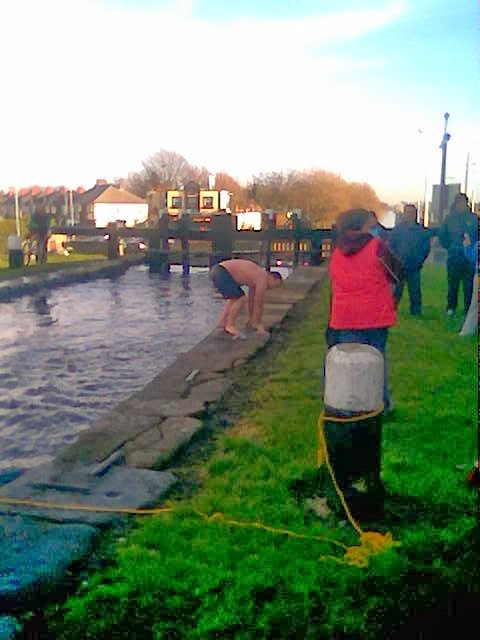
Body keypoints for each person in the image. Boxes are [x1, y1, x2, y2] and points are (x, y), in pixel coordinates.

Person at [326, 208, 401, 414]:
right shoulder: (378, 247)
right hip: (375, 315)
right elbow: (397, 272)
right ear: (362, 225)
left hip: (345, 316)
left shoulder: (337, 250)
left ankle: (348, 407)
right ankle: (380, 404)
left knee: (349, 364)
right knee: (376, 361)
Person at [210, 259, 282, 338]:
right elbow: (259, 304)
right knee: (241, 298)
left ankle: (222, 323)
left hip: (217, 270)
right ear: (271, 277)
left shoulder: (256, 278)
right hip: (222, 272)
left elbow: (251, 301)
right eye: (275, 285)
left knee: (234, 299)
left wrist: (251, 319)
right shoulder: (263, 278)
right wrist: (258, 324)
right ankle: (230, 325)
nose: (272, 288)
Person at [388, 203, 433, 315]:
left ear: (415, 214)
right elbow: (390, 246)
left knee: (415, 290)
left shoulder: (421, 231)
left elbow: (425, 247)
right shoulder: (397, 230)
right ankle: (391, 310)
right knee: (396, 290)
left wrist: (420, 260)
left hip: (414, 265)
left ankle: (416, 311)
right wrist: (396, 260)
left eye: (412, 213)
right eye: (407, 212)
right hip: (399, 265)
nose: (410, 215)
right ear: (404, 214)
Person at [439, 193, 478, 317]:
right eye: (459, 202)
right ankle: (451, 307)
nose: (461, 205)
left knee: (469, 285)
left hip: (469, 258)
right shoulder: (449, 219)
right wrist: (450, 247)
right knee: (452, 284)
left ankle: (468, 309)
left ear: (467, 203)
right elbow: (442, 236)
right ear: (455, 203)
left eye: (463, 202)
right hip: (454, 256)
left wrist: (472, 249)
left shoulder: (474, 219)